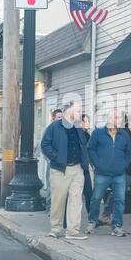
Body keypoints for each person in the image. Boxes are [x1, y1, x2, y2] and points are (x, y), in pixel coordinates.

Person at [41, 101, 89, 240]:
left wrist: (85, 162)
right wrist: (56, 157)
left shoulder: (78, 127)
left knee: (76, 201)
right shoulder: (54, 127)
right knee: (58, 200)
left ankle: (72, 231)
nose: (80, 113)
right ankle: (56, 229)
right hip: (61, 170)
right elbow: (45, 144)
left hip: (78, 169)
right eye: (78, 110)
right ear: (69, 112)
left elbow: (83, 145)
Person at [86, 108, 131, 237]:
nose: (117, 120)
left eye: (119, 118)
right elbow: (90, 149)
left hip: (119, 174)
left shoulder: (124, 134)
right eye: (114, 117)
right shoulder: (98, 133)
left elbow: (129, 152)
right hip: (102, 173)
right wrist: (98, 164)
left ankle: (117, 226)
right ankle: (92, 221)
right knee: (96, 198)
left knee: (120, 200)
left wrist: (123, 166)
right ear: (108, 118)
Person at [44, 109, 63, 215]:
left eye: (62, 117)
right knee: (52, 186)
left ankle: (59, 209)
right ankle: (50, 208)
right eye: (59, 117)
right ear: (53, 118)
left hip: (63, 164)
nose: (61, 119)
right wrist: (51, 159)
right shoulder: (49, 129)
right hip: (52, 163)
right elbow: (44, 147)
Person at [81, 114, 93, 214]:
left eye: (88, 121)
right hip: (77, 168)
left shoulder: (88, 135)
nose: (87, 123)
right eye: (85, 121)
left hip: (86, 169)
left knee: (89, 193)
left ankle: (91, 217)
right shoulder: (78, 135)